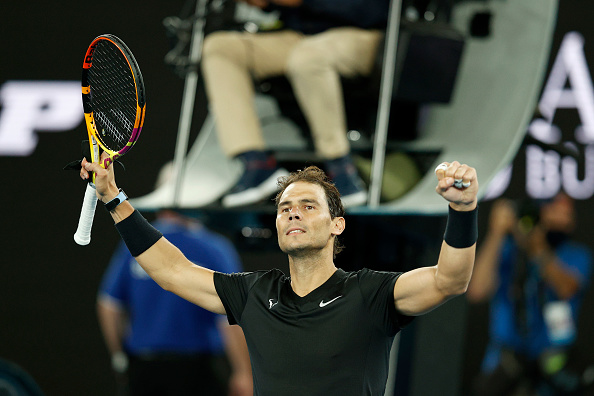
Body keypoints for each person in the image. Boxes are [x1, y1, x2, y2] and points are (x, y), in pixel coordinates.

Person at [81, 154, 478, 395]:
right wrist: (115, 200)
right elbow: (172, 271)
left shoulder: (370, 292)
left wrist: (462, 211)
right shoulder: (255, 293)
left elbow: (450, 280)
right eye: (285, 207)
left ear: (337, 225)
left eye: (308, 206)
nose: (293, 212)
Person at [200, 0, 390, 208]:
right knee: (220, 46)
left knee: (308, 56)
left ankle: (342, 171)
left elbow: (372, 10)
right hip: (300, 34)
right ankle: (256, 163)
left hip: (364, 33)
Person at [97, 207, 253, 396]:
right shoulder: (213, 248)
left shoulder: (135, 244)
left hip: (144, 369)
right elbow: (231, 316)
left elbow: (109, 305)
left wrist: (120, 357)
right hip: (196, 371)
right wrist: (243, 372)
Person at [467, 194, 593, 396]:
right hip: (504, 367)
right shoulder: (509, 251)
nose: (562, 218)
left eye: (568, 215)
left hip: (552, 368)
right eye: (554, 210)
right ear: (540, 213)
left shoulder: (577, 255)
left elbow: (567, 288)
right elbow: (477, 291)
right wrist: (497, 233)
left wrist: (537, 246)